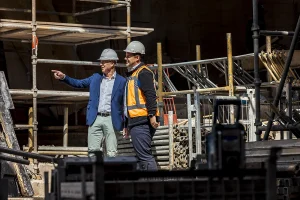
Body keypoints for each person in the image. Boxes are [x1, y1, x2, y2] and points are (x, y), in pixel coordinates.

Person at [51, 49, 126, 157]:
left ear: (113, 63)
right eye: (101, 62)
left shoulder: (122, 81)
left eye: (104, 62)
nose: (101, 64)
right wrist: (64, 77)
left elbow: (125, 102)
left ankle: (110, 173)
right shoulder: (95, 77)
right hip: (95, 118)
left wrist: (125, 123)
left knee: (111, 152)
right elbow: (79, 83)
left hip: (112, 119)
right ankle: (94, 173)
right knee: (92, 151)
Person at [123, 41, 160, 171]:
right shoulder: (133, 75)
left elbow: (150, 95)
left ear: (137, 57)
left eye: (128, 56)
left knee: (144, 156)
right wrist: (127, 123)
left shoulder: (143, 73)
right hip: (136, 121)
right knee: (141, 156)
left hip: (142, 120)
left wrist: (152, 115)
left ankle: (155, 186)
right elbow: (129, 102)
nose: (125, 58)